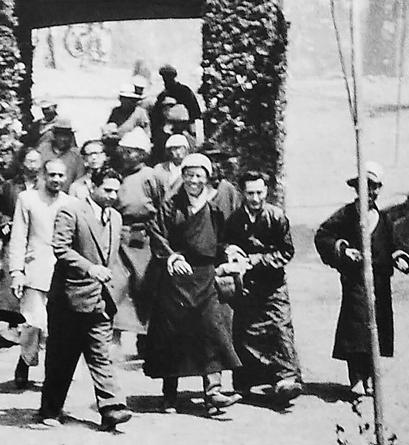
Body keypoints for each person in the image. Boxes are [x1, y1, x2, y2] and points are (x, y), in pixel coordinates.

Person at [144, 153, 242, 415]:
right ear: (182, 177)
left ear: (207, 178)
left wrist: (230, 251)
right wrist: (172, 256)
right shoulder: (171, 205)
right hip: (176, 278)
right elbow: (156, 234)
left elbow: (223, 239)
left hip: (206, 276)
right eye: (188, 175)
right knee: (172, 334)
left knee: (211, 330)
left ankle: (213, 394)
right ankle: (169, 396)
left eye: (199, 175)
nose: (193, 180)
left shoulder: (215, 207)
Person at [39, 168, 132, 430]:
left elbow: (111, 255)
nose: (112, 196)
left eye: (116, 191)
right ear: (93, 186)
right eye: (108, 190)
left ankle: (111, 408)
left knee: (100, 354)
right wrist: (89, 268)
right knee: (62, 357)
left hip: (101, 299)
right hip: (69, 298)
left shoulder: (115, 217)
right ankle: (50, 410)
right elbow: (61, 248)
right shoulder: (71, 211)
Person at [314, 161, 409, 396]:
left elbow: (395, 244)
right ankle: (356, 378)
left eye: (375, 187)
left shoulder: (383, 219)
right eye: (365, 186)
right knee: (356, 328)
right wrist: (343, 250)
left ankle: (370, 377)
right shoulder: (347, 214)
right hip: (356, 280)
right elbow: (324, 235)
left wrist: (400, 257)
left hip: (379, 282)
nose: (370, 192)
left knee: (376, 328)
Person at [223, 171, 303, 401]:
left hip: (273, 285)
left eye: (259, 192)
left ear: (266, 191)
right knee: (246, 333)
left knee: (280, 329)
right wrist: (230, 251)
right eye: (250, 193)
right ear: (242, 193)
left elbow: (286, 252)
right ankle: (245, 382)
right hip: (247, 286)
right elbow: (226, 242)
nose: (255, 198)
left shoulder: (276, 216)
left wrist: (255, 261)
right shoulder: (235, 219)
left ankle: (286, 379)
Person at [8, 159, 72, 388]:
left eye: (60, 176)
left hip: (63, 272)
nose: (56, 180)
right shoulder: (27, 199)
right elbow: (18, 236)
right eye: (52, 175)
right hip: (35, 268)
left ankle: (52, 373)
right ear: (43, 176)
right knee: (31, 321)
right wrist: (17, 271)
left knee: (57, 327)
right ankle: (24, 362)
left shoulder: (71, 203)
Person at [112, 127, 166, 349]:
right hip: (120, 235)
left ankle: (146, 339)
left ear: (143, 154)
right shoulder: (118, 175)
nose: (127, 156)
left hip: (144, 237)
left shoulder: (151, 176)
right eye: (124, 151)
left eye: (132, 152)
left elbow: (162, 206)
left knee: (145, 285)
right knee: (117, 284)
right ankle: (114, 337)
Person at [0, 148, 43, 343]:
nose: (33, 166)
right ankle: (13, 325)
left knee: (36, 279)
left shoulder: (45, 186)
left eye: (37, 161)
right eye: (29, 161)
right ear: (22, 164)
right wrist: (3, 221)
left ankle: (35, 327)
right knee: (12, 276)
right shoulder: (9, 186)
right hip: (14, 236)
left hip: (38, 237)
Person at [150, 64, 200, 153]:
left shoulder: (184, 91)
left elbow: (195, 112)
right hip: (166, 130)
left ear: (174, 76)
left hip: (183, 128)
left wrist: (197, 135)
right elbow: (156, 116)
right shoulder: (163, 95)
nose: (166, 79)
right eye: (164, 77)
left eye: (169, 76)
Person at [37, 117, 85, 193]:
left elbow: (79, 180)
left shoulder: (76, 157)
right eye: (60, 135)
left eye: (67, 135)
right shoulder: (43, 149)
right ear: (54, 135)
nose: (63, 139)